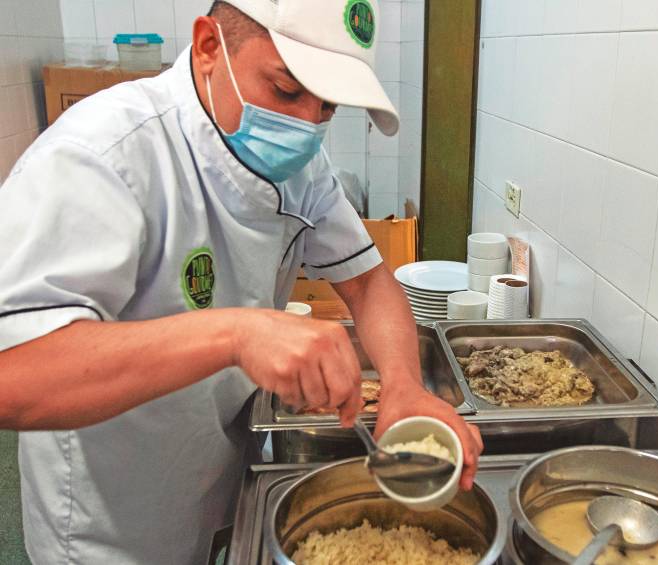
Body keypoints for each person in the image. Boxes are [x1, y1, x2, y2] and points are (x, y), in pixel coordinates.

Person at [0, 1, 483, 563]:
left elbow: (370, 283)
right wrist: (236, 335)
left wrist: (404, 386)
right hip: (110, 509)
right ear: (209, 46)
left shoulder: (300, 167)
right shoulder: (103, 154)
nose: (305, 126)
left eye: (326, 107)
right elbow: (16, 378)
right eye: (284, 91)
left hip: (215, 459)